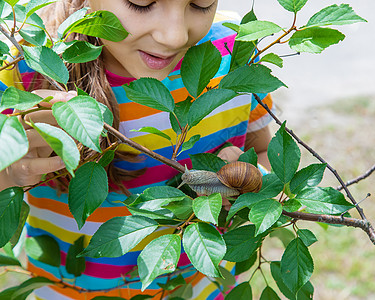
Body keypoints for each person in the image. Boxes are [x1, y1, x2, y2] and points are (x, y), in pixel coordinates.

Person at [0, 0, 274, 299]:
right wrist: (10, 172)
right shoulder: (23, 69)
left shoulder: (233, 55)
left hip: (199, 287)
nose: (175, 36)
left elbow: (264, 155)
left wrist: (249, 181)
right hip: (71, 290)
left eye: (200, 3)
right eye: (142, 2)